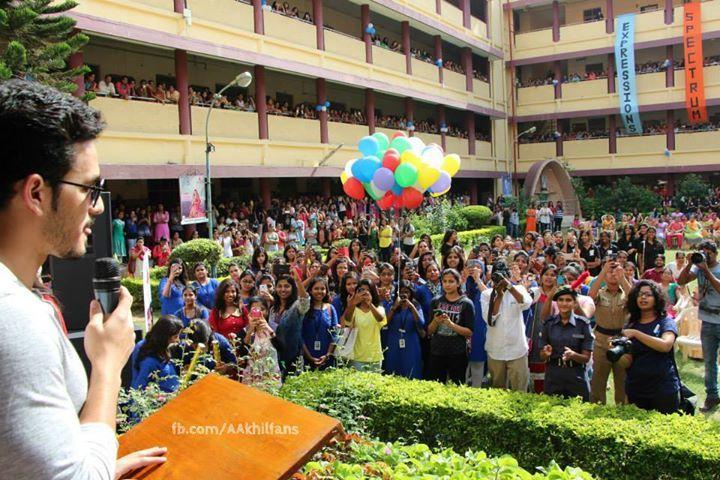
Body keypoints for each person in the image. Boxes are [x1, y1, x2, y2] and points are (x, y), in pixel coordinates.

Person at [0, 79, 166, 478]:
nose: (96, 208)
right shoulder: (14, 319)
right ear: (36, 193)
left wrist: (98, 463)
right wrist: (108, 363)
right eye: (89, 189)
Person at [618, 280, 680, 414]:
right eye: (640, 295)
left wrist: (636, 334)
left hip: (663, 388)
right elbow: (627, 362)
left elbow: (665, 345)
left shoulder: (665, 322)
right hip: (637, 387)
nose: (643, 297)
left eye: (648, 294)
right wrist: (616, 353)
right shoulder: (631, 325)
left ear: (657, 298)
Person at [677, 240, 720, 412]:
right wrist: (689, 265)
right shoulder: (697, 268)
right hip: (708, 323)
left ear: (715, 253)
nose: (704, 255)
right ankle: (712, 396)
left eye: (707, 252)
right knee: (709, 362)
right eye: (701, 251)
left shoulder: (713, 269)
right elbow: (681, 281)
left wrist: (706, 271)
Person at [481, 260, 532, 391]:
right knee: (498, 391)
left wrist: (509, 286)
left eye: (503, 276)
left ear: (508, 276)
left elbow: (526, 303)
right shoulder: (486, 294)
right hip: (495, 350)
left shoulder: (519, 289)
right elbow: (489, 319)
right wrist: (499, 295)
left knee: (520, 390)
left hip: (517, 350)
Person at [588, 258, 631, 405]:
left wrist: (623, 277)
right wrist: (603, 271)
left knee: (623, 381)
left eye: (616, 271)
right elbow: (589, 297)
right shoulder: (600, 293)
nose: (613, 274)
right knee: (598, 381)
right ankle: (598, 410)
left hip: (620, 340)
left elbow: (635, 299)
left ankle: (623, 410)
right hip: (601, 340)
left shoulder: (625, 293)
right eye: (610, 272)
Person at [538, 287, 594, 401]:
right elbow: (542, 356)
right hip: (553, 375)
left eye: (568, 300)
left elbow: (586, 358)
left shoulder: (583, 324)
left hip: (576, 376)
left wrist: (573, 355)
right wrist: (545, 353)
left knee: (578, 412)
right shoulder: (549, 324)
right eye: (561, 300)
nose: (564, 303)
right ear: (557, 303)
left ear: (575, 304)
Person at [427, 269, 474, 384]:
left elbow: (469, 332)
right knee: (436, 386)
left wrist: (451, 324)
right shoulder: (436, 301)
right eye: (445, 281)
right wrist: (436, 321)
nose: (447, 284)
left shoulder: (466, 303)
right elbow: (429, 331)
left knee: (457, 386)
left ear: (458, 283)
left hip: (457, 352)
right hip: (437, 351)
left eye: (451, 281)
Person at [130, 315, 183, 392]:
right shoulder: (149, 362)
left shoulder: (148, 344)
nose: (178, 340)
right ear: (164, 337)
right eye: (175, 336)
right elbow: (138, 388)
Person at [343, 278, 387, 371]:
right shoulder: (354, 309)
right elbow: (347, 320)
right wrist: (352, 304)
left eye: (368, 290)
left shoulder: (379, 308)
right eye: (362, 290)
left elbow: (380, 319)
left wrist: (370, 304)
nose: (365, 293)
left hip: (374, 356)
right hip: (356, 356)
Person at [384, 280, 425, 379]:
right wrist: (395, 306)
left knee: (411, 371)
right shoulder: (392, 305)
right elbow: (385, 322)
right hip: (393, 341)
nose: (404, 295)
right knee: (393, 371)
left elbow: (421, 322)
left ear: (411, 293)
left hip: (411, 342)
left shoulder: (416, 305)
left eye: (407, 292)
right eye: (401, 292)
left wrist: (411, 306)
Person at [301, 277, 338, 370]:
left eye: (322, 289)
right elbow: (300, 335)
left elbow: (334, 335)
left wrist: (327, 355)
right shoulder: (305, 309)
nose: (319, 291)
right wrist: (309, 357)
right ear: (310, 290)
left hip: (326, 356)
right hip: (307, 356)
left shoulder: (330, 308)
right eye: (316, 288)